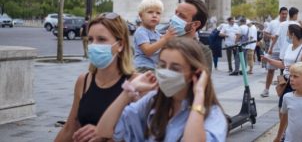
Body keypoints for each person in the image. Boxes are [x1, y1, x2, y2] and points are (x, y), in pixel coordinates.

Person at [95, 37, 228, 141]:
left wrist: (199, 95)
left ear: (195, 74)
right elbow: (104, 131)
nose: (165, 72)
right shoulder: (152, 101)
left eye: (175, 68)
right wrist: (129, 91)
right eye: (162, 65)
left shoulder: (213, 116)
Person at [54, 12, 134, 142]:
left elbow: (144, 133)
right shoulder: (84, 81)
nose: (94, 45)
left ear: (120, 45)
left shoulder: (135, 83)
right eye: (90, 39)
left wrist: (105, 135)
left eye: (101, 39)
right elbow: (71, 127)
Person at [262, 24, 302, 107]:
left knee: (293, 109)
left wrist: (294, 68)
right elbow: (284, 64)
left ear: (293, 34)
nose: (286, 35)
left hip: (296, 82)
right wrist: (270, 61)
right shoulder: (289, 46)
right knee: (282, 108)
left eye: (288, 33)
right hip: (286, 81)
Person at [133, 0, 176, 72]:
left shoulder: (157, 33)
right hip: (143, 67)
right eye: (150, 12)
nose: (154, 15)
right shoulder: (141, 31)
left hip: (154, 67)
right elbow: (148, 51)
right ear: (141, 16)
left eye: (158, 13)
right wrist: (164, 39)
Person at [172, 0, 213, 73]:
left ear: (195, 24)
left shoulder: (202, 52)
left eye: (181, 16)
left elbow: (201, 82)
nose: (174, 18)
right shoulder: (160, 41)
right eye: (175, 13)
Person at [260, 7, 288, 97]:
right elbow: (265, 33)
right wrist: (271, 36)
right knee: (270, 70)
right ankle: (266, 90)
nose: (284, 15)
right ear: (279, 14)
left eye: (286, 14)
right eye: (283, 13)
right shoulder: (273, 23)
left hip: (285, 51)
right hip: (274, 50)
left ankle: (283, 91)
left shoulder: (288, 24)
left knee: (284, 72)